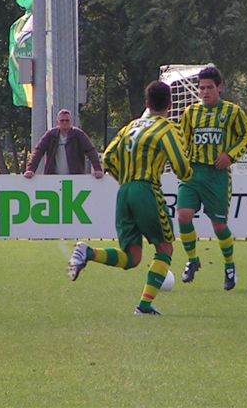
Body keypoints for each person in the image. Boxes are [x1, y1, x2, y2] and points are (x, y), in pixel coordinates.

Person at [68, 81, 193, 315]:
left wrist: (125, 178)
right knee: (165, 248)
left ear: (146, 103)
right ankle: (144, 306)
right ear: (170, 104)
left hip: (124, 191)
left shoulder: (130, 127)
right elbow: (181, 166)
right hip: (145, 191)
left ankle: (87, 252)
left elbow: (108, 158)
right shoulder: (168, 128)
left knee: (132, 257)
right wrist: (187, 173)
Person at [177, 65, 247, 290]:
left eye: (209, 87)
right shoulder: (191, 113)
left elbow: (246, 136)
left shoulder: (233, 112)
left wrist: (230, 155)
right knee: (183, 216)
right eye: (201, 88)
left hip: (217, 176)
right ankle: (192, 260)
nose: (205, 92)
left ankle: (229, 266)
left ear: (219, 88)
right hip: (193, 173)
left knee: (219, 226)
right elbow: (183, 140)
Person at [24, 109, 103, 179]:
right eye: (62, 120)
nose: (64, 122)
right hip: (53, 177)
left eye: (67, 120)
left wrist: (98, 169)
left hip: (75, 178)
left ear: (71, 121)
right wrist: (31, 170)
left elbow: (91, 151)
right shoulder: (50, 135)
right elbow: (39, 151)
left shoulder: (78, 134)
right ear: (57, 121)